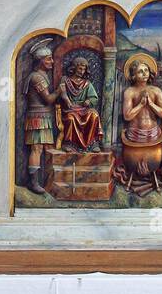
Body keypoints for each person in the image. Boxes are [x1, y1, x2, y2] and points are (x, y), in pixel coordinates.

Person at [23, 44, 64, 194]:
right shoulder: (37, 77)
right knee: (37, 149)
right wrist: (60, 90)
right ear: (40, 61)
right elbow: (48, 99)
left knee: (47, 148)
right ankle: (33, 182)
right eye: (48, 59)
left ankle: (48, 181)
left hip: (44, 117)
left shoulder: (42, 76)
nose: (52, 62)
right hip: (37, 117)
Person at [57, 55, 103, 152]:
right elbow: (62, 93)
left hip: (83, 108)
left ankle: (92, 144)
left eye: (83, 69)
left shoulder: (87, 83)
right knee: (70, 118)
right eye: (80, 69)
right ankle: (69, 143)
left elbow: (94, 97)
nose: (82, 71)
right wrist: (67, 101)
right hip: (70, 108)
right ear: (74, 68)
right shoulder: (65, 80)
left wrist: (89, 101)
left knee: (94, 115)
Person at [122, 56, 162, 146]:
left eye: (146, 70)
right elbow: (127, 116)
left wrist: (150, 104)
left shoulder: (156, 91)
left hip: (153, 133)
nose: (144, 74)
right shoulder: (129, 92)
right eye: (140, 71)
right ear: (134, 75)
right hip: (134, 134)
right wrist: (141, 104)